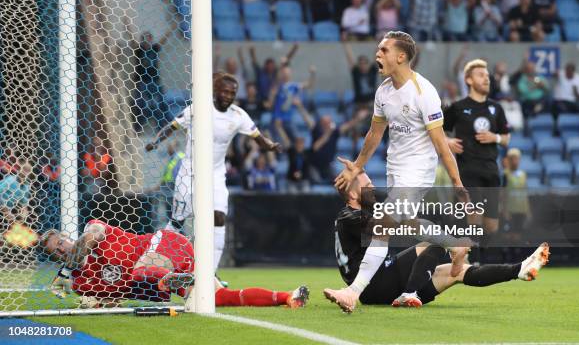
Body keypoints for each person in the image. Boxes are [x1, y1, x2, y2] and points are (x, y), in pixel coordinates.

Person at [326, 31, 471, 313]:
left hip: (418, 171)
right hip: (396, 168)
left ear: (401, 57)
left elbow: (441, 145)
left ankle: (352, 293)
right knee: (409, 223)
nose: (377, 54)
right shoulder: (384, 91)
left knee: (382, 224)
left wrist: (457, 183)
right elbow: (374, 133)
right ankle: (455, 246)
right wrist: (357, 165)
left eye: (383, 50)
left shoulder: (424, 92)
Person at [325, 170, 550, 311]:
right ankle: (409, 293)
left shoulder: (351, 216)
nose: (372, 187)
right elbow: (405, 224)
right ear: (353, 195)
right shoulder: (351, 217)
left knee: (458, 272)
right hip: (373, 285)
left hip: (381, 284)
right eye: (367, 185)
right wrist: (450, 242)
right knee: (432, 245)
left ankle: (519, 270)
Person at [145, 72, 282, 271]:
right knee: (178, 220)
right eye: (224, 91)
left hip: (216, 173)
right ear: (215, 91)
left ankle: (211, 273)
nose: (228, 96)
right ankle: (156, 258)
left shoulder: (238, 115)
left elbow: (258, 136)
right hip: (190, 170)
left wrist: (270, 146)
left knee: (218, 217)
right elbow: (172, 126)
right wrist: (156, 141)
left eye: (232, 93)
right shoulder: (198, 108)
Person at [40, 220, 309, 309]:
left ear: (67, 235)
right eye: (56, 253)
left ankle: (171, 278)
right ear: (54, 259)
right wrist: (94, 302)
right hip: (161, 279)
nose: (62, 249)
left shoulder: (92, 229)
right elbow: (108, 299)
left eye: (61, 242)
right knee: (217, 299)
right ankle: (288, 297)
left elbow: (89, 238)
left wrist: (68, 267)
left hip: (167, 245)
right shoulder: (83, 280)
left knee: (142, 270)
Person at [444, 59, 511, 253]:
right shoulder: (457, 107)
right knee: (473, 218)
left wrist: (495, 137)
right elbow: (436, 130)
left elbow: (506, 138)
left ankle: (481, 257)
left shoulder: (496, 108)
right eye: (481, 75)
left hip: (491, 171)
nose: (486, 79)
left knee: (491, 227)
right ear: (468, 80)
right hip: (467, 171)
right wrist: (447, 142)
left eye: (487, 76)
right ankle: (472, 263)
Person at [269, 65, 316, 144]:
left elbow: (309, 85)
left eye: (287, 72)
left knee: (296, 142)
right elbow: (270, 103)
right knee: (279, 144)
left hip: (289, 120)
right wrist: (272, 95)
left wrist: (313, 74)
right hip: (277, 120)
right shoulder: (277, 86)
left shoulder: (294, 86)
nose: (286, 74)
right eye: (284, 72)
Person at [342, 41, 378, 108]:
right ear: (358, 65)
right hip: (360, 105)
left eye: (365, 63)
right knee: (362, 115)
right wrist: (345, 43)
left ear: (368, 64)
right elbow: (349, 58)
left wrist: (379, 42)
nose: (363, 65)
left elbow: (377, 55)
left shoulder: (372, 71)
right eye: (361, 64)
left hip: (372, 105)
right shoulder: (356, 73)